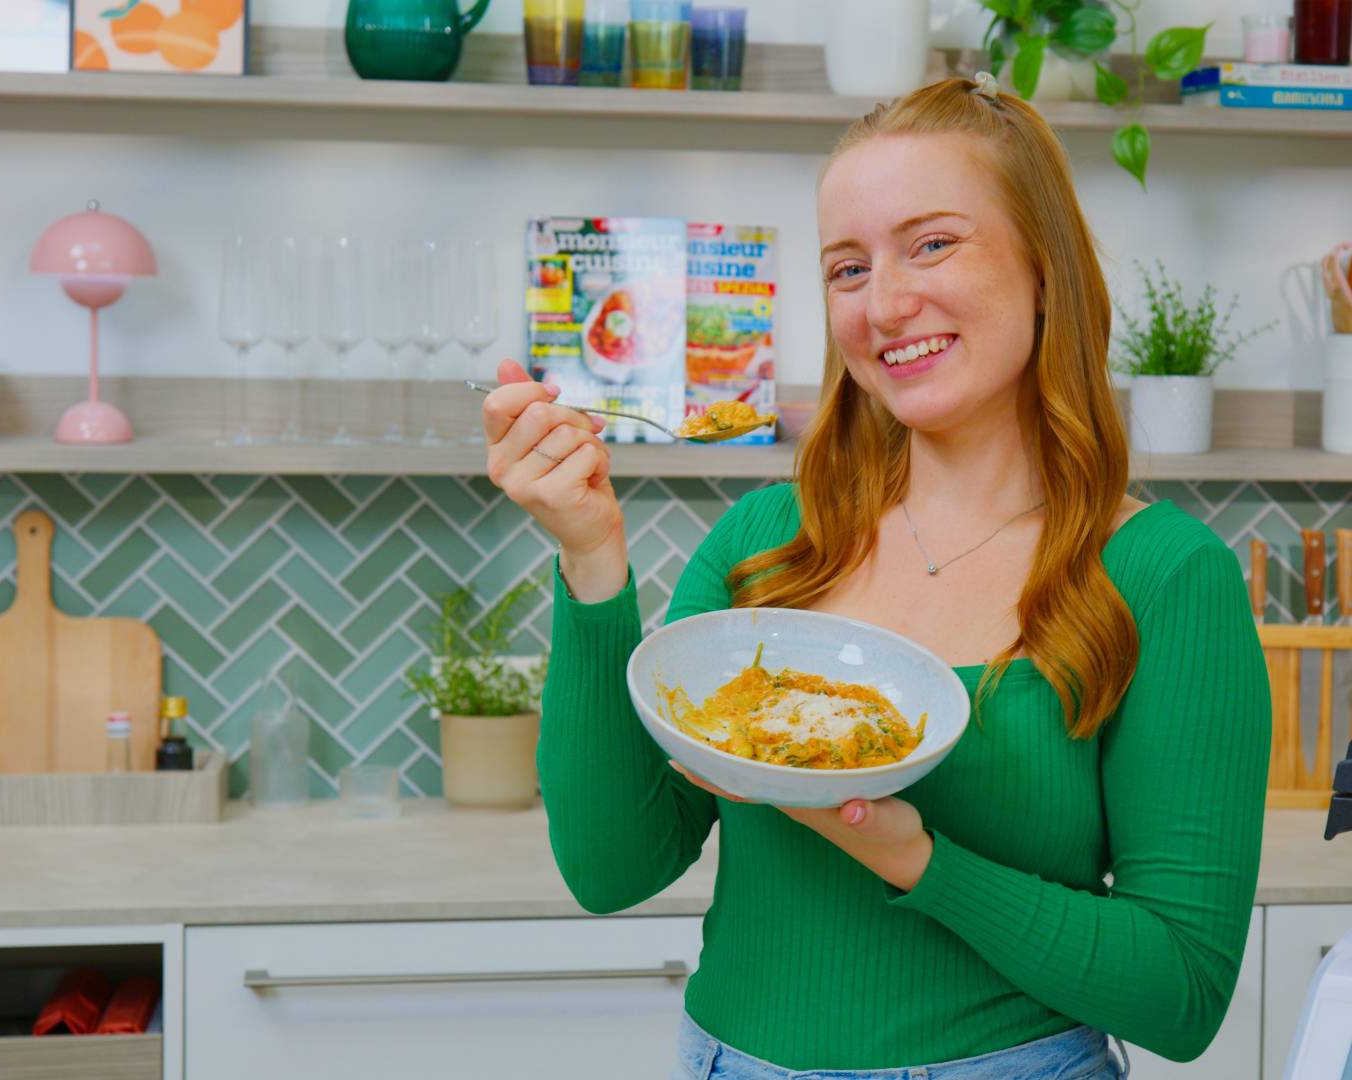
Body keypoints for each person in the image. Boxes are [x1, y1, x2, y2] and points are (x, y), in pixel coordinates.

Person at [482, 73, 1272, 1080]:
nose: (886, 304)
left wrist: (912, 856)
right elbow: (610, 870)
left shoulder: (1165, 576)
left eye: (933, 243)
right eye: (847, 268)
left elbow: (1184, 994)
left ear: (1045, 266)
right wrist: (590, 557)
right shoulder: (768, 544)